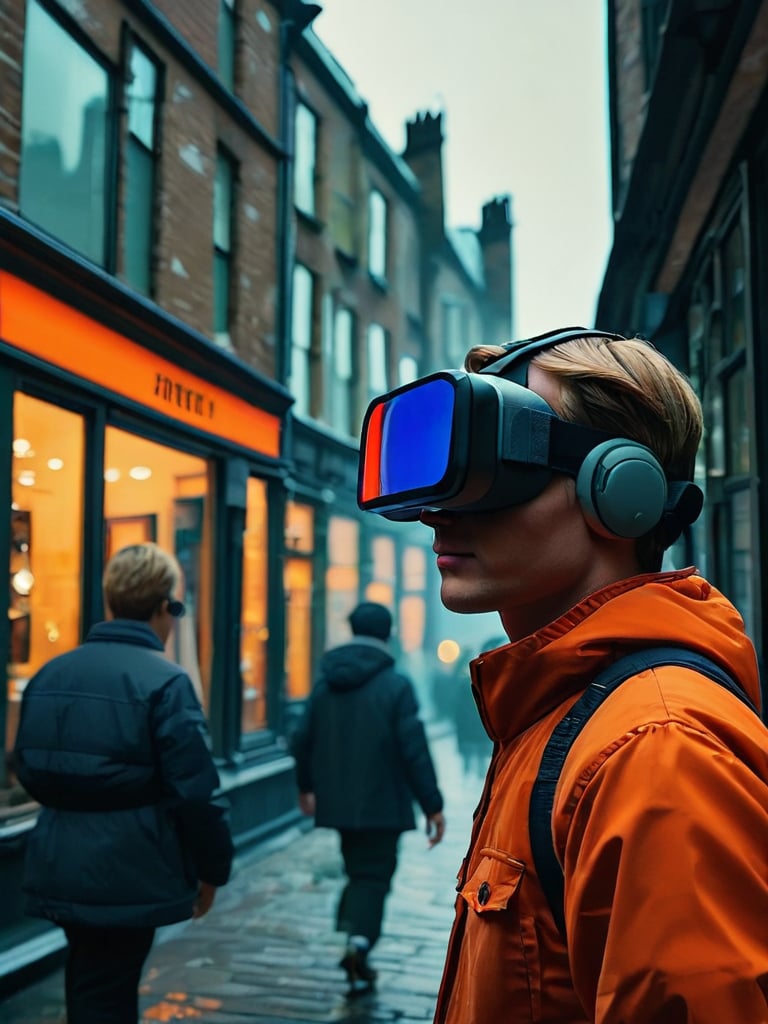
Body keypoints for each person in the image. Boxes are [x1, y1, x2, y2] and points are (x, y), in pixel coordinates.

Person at [357, 327, 768, 1022]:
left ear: (621, 492)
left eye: (492, 471)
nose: (437, 512)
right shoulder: (559, 712)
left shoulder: (656, 751)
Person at [13, 542, 234, 1024]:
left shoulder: (51, 673)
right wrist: (213, 868)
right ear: (161, 608)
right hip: (132, 864)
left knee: (92, 976)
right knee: (110, 985)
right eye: (175, 607)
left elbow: (25, 765)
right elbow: (196, 790)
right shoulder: (167, 683)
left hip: (60, 856)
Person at [291, 601, 445, 995]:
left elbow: (301, 738)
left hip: (339, 801)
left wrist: (306, 786)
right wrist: (432, 804)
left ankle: (351, 929)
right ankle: (359, 941)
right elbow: (413, 749)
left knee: (358, 869)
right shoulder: (395, 685)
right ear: (387, 633)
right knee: (374, 876)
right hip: (383, 803)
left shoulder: (326, 683)